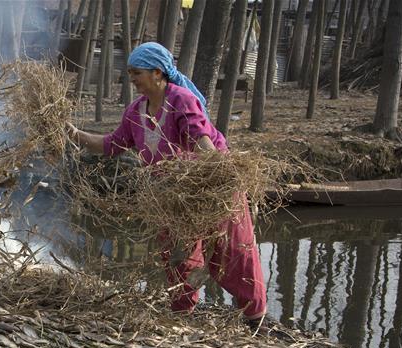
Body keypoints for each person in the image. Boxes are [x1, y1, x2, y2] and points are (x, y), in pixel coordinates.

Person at [68, 42, 267, 327]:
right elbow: (112, 144)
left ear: (158, 73)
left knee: (232, 254)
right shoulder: (136, 111)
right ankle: (181, 315)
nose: (131, 78)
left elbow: (200, 140)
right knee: (178, 256)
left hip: (213, 187)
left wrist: (217, 170)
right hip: (173, 196)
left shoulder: (181, 100)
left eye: (137, 73)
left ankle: (254, 318)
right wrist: (74, 134)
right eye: (130, 72)